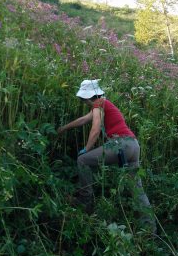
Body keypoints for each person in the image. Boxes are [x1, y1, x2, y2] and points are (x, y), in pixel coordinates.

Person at [57, 79, 156, 232]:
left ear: (88, 97)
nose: (84, 103)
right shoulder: (103, 104)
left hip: (120, 144)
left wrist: (87, 148)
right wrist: (64, 128)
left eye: (83, 100)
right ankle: (149, 229)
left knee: (83, 160)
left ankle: (85, 202)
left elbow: (95, 128)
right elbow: (84, 120)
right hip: (133, 145)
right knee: (136, 188)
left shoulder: (98, 104)